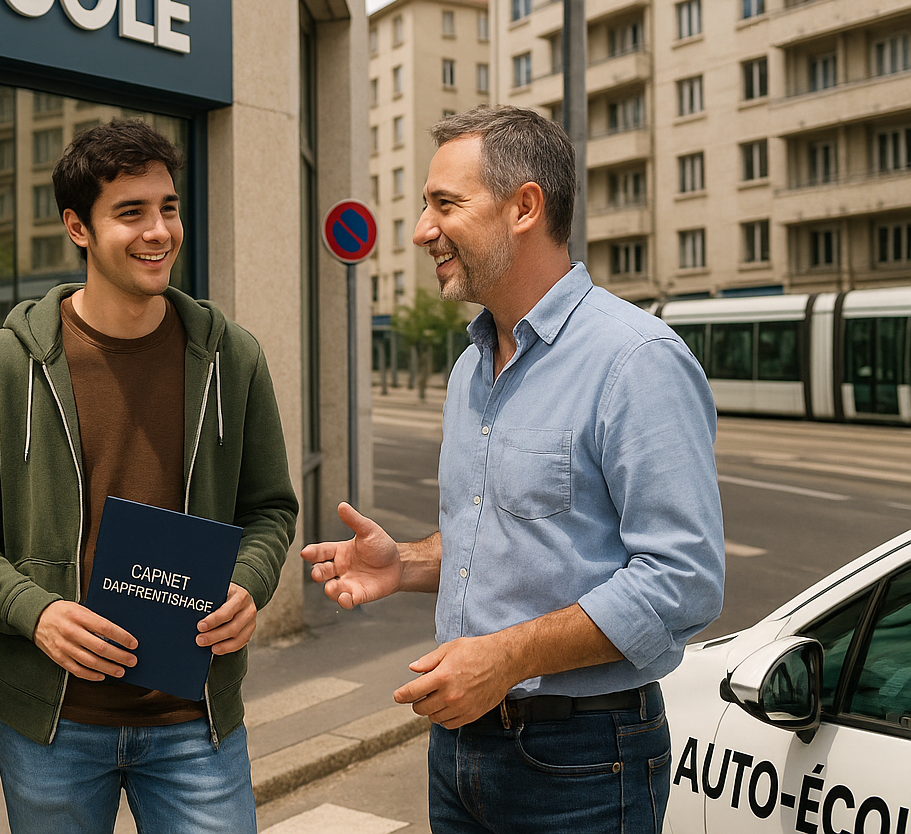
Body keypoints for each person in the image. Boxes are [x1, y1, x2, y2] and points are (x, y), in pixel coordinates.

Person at [303, 105, 725, 834]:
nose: (422, 230)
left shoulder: (635, 360)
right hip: (459, 747)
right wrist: (404, 563)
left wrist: (505, 658)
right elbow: (510, 538)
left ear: (524, 207)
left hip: (584, 761)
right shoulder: (471, 366)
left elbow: (683, 580)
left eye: (445, 204)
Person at [0, 117, 298, 834]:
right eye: (131, 212)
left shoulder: (233, 357)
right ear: (79, 227)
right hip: (55, 721)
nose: (159, 231)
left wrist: (248, 583)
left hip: (195, 717)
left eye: (168, 207)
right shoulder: (0, 365)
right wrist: (34, 612)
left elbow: (269, 509)